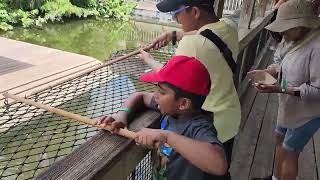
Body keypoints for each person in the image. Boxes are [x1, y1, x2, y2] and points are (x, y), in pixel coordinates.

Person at [138, 0, 241, 178]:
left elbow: (170, 78)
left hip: (201, 129)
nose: (176, 19)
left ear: (194, 12)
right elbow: (208, 34)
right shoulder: (229, 25)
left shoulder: (192, 44)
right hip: (229, 118)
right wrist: (174, 34)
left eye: (176, 12)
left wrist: (148, 60)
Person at [98, 56, 227, 180]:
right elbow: (140, 96)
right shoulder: (170, 109)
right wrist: (121, 115)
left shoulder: (198, 126)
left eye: (162, 92)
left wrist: (166, 137)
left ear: (183, 104)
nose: (156, 95)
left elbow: (219, 165)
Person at [248, 0, 320, 180]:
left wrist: (282, 88)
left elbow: (318, 91)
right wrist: (267, 72)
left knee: (290, 151)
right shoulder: (291, 38)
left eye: (286, 28)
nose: (282, 32)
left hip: (308, 113)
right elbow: (279, 61)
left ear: (302, 25)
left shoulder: (317, 47)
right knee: (280, 139)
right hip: (289, 107)